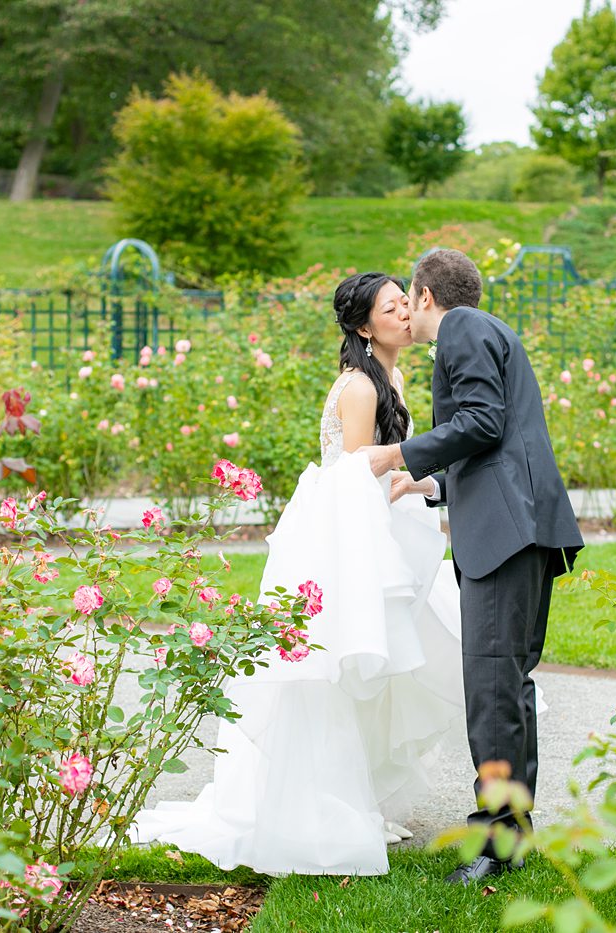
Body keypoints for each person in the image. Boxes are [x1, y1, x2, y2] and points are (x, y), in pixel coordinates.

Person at [130, 272, 465, 875]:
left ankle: (358, 792)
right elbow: (356, 478)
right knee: (340, 667)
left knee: (385, 664)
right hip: (347, 537)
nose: (407, 315)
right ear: (366, 327)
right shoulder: (360, 388)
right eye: (393, 308)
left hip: (383, 528)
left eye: (405, 304)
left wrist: (420, 490)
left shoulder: (394, 375)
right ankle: (323, 804)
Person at [362, 248, 585, 884]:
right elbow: (496, 439)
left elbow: (481, 422)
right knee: (508, 685)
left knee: (491, 689)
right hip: (522, 528)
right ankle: (511, 834)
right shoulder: (489, 332)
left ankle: (497, 840)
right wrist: (425, 483)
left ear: (426, 296)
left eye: (409, 298)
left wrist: (398, 453)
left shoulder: (462, 328)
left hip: (506, 537)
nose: (407, 311)